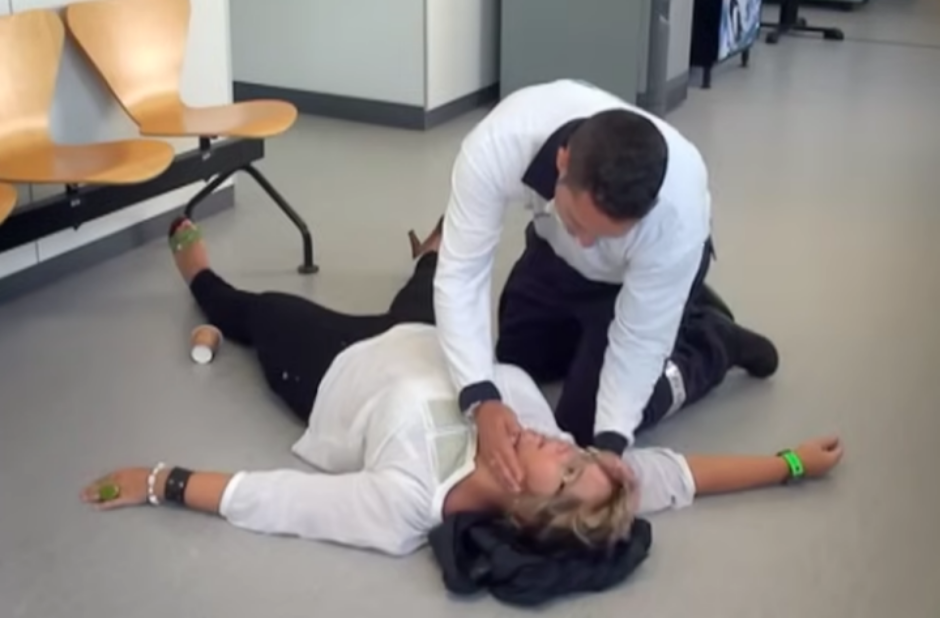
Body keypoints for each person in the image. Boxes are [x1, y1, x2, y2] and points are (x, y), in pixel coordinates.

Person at [81, 218, 840, 557]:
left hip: (335, 366)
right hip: (447, 349)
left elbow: (275, 499)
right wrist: (791, 463)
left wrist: (156, 481)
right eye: (580, 459)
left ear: (525, 508)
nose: (566, 449)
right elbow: (679, 477)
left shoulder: (406, 504)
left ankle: (198, 272)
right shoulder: (570, 455)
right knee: (430, 288)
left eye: (564, 472)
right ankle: (430, 250)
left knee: (257, 311)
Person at [432, 79, 772, 493]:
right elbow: (462, 272)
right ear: (562, 161)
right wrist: (479, 398)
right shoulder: (499, 142)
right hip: (554, 252)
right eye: (579, 221)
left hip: (634, 278)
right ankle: (654, 309)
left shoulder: (677, 214)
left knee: (584, 428)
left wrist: (611, 441)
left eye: (607, 234)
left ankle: (712, 339)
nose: (588, 243)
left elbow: (641, 339)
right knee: (516, 366)